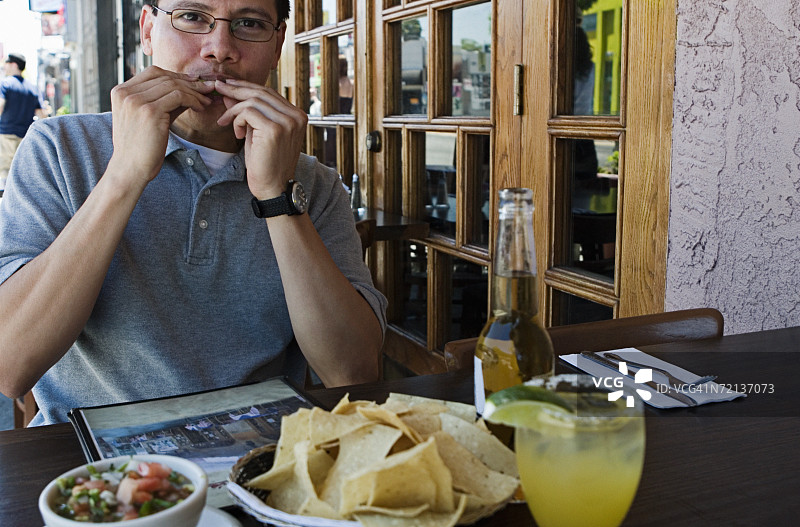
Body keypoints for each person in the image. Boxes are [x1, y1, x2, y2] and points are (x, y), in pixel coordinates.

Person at [0, 0, 386, 426]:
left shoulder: (314, 184)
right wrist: (124, 175)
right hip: (88, 472)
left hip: (259, 463)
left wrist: (276, 195)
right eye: (191, 17)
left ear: (277, 46)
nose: (219, 48)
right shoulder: (59, 148)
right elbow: (10, 366)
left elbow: (354, 374)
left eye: (250, 24)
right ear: (148, 30)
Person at [0, 53, 46, 193]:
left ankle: (6, 196)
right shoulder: (32, 88)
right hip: (26, 135)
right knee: (23, 168)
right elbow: (41, 114)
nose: (4, 67)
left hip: (7, 133)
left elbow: (1, 105)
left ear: (14, 65)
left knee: (5, 168)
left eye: (6, 64)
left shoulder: (5, 84)